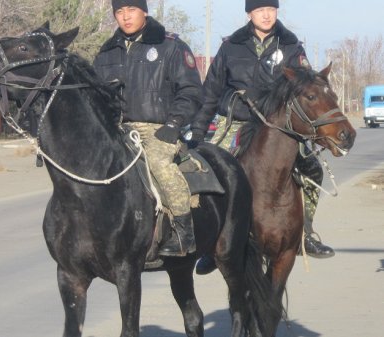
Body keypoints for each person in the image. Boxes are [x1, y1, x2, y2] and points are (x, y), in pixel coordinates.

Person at [189, 0, 335, 274]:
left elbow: (306, 90)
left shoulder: (291, 46)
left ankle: (305, 232)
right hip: (237, 121)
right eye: (259, 9)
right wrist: (197, 133)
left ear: (277, 11)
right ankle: (214, 241)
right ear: (249, 13)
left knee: (312, 169)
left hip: (280, 127)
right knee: (210, 170)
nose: (266, 14)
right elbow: (209, 93)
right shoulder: (231, 46)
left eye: (271, 8)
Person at [93, 0, 203, 257]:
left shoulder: (170, 46)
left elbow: (191, 91)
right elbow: (95, 96)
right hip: (118, 129)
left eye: (131, 10)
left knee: (159, 165)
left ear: (144, 11)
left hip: (158, 129)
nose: (125, 17)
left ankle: (184, 233)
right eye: (119, 12)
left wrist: (174, 125)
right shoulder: (106, 52)